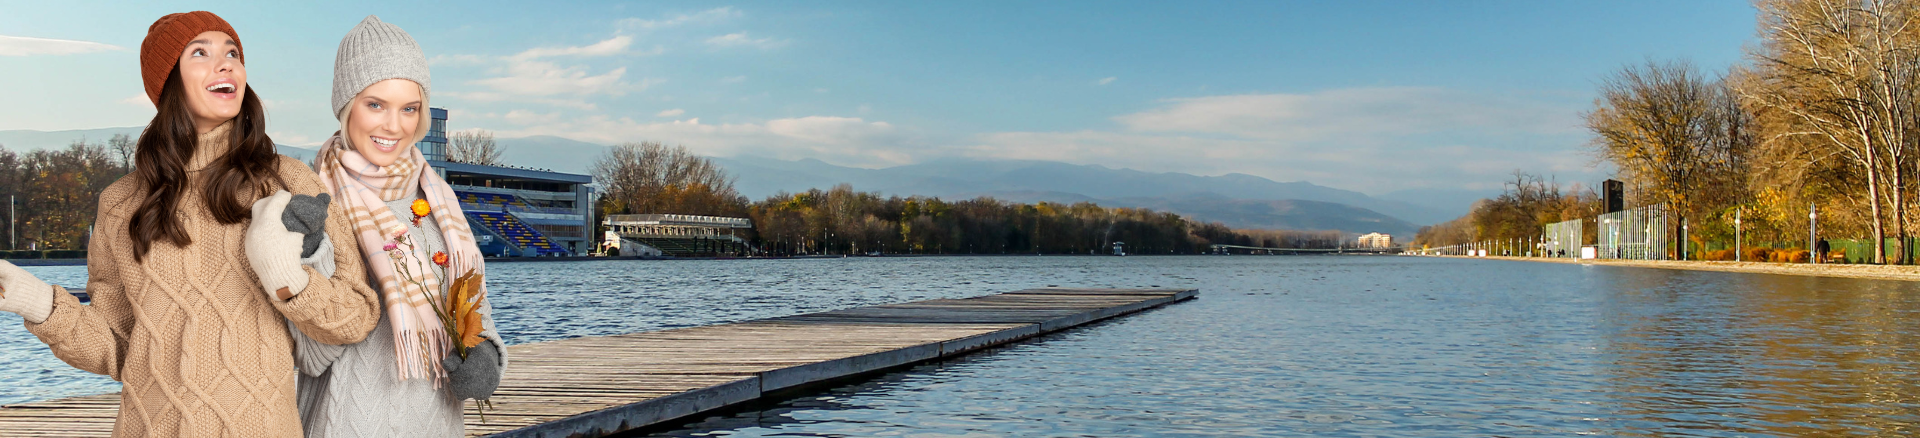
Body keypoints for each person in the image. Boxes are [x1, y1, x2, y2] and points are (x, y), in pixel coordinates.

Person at [0, 11, 382, 436]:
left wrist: (288, 277)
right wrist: (37, 302)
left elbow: (355, 318)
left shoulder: (288, 181)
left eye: (232, 52)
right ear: (168, 83)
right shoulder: (120, 202)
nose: (226, 64)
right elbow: (119, 347)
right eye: (201, 52)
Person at [292, 16, 506, 437]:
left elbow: (474, 312)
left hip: (437, 426)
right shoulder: (312, 201)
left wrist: (485, 357)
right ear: (345, 105)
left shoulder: (439, 200)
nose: (395, 125)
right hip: (344, 424)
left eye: (409, 108)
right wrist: (309, 249)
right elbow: (310, 355)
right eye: (376, 104)